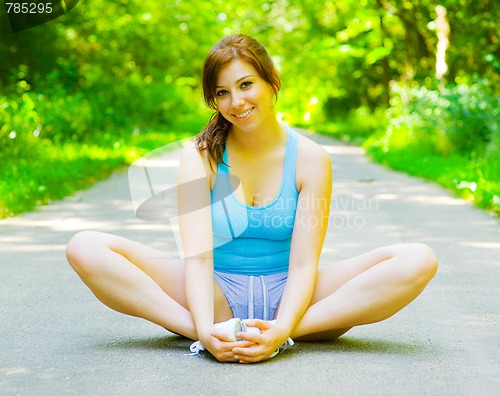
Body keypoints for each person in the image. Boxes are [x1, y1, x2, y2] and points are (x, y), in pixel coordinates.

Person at [66, 34, 438, 364]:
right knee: (85, 247)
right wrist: (202, 328)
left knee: (418, 259)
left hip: (294, 297)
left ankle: (278, 333)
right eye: (222, 93)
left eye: (246, 85)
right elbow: (197, 261)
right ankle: (207, 333)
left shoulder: (310, 158)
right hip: (215, 294)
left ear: (271, 82)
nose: (236, 102)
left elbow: (306, 264)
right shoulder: (200, 156)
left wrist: (283, 328)